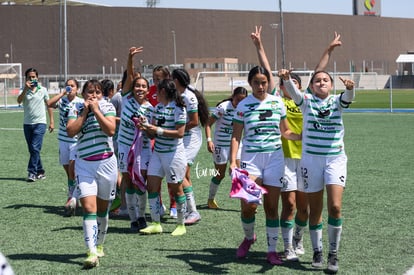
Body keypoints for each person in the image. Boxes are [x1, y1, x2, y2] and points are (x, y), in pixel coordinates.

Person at [250, 26, 342, 261]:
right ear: (281, 87)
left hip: (309, 158)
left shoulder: (308, 102)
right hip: (286, 160)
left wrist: (328, 49)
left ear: (302, 87)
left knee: (304, 209)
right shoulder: (278, 101)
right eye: (285, 83)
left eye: (295, 83)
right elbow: (269, 73)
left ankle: (299, 239)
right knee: (289, 205)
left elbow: (318, 73)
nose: (289, 86)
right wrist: (259, 46)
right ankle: (288, 246)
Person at [280, 67, 354, 272]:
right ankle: (317, 251)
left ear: (331, 85)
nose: (321, 82)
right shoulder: (306, 101)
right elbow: (294, 93)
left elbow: (347, 98)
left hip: (335, 159)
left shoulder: (336, 102)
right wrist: (286, 79)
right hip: (310, 161)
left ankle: (333, 254)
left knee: (335, 207)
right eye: (317, 80)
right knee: (315, 209)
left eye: (325, 80)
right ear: (312, 86)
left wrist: (350, 89)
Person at [229, 65, 301, 265]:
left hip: (274, 159)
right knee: (248, 205)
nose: (260, 86)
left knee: (271, 207)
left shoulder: (278, 102)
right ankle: (249, 237)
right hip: (250, 160)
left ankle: (271, 251)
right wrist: (233, 162)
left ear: (268, 83)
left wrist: (302, 136)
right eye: (256, 83)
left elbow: (285, 132)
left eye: (264, 82)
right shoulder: (243, 105)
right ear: (250, 83)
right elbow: (236, 135)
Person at [66, 79, 117, 269]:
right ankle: (91, 252)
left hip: (106, 164)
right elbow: (71, 131)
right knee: (89, 209)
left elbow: (111, 130)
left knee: (103, 210)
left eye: (97, 92)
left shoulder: (107, 105)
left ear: (102, 94)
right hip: (84, 165)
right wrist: (86, 112)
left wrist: (96, 110)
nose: (93, 96)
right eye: (89, 92)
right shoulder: (76, 107)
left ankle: (100, 244)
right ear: (83, 93)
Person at [139, 78, 187, 236]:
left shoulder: (179, 108)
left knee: (176, 189)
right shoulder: (157, 108)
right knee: (152, 186)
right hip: (157, 153)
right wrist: (145, 126)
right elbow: (151, 132)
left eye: (157, 91)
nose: (154, 94)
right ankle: (155, 223)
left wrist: (157, 130)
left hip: (173, 155)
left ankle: (181, 224)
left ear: (163, 92)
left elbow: (180, 133)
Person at [118, 46, 153, 232]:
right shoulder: (126, 99)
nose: (140, 88)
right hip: (124, 147)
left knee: (141, 182)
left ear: (148, 90)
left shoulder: (151, 109)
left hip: (143, 150)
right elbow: (130, 76)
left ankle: (142, 216)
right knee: (129, 181)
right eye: (137, 86)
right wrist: (130, 58)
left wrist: (145, 128)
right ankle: (133, 219)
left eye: (143, 86)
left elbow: (152, 134)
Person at [172, 68, 209, 225]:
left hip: (191, 139)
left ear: (177, 80)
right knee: (184, 175)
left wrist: (177, 129)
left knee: (181, 174)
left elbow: (194, 122)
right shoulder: (177, 94)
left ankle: (193, 211)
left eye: (172, 78)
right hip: (182, 138)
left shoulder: (189, 96)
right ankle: (189, 209)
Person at [204, 86, 248, 209]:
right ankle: (211, 199)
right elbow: (208, 124)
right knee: (220, 174)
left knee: (238, 173)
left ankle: (245, 203)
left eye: (242, 100)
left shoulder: (244, 109)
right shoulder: (223, 107)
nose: (239, 102)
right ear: (233, 97)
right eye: (238, 99)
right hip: (220, 145)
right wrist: (209, 141)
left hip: (236, 144)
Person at [47, 78, 84, 216]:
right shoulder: (62, 101)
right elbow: (49, 104)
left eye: (72, 86)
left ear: (77, 89)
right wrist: (62, 93)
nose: (70, 88)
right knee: (68, 171)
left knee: (73, 170)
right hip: (62, 139)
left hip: (75, 140)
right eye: (68, 86)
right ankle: (75, 194)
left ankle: (71, 197)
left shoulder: (80, 102)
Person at [147, 65, 178, 219]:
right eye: (153, 78)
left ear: (167, 78)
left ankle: (174, 205)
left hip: (171, 139)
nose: (155, 82)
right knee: (153, 174)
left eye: (158, 79)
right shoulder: (151, 91)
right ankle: (158, 204)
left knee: (173, 176)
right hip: (155, 137)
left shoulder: (173, 95)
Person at [17, 68, 54, 182]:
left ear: (37, 78)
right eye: (29, 77)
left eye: (34, 77)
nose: (32, 79)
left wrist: (51, 121)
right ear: (26, 79)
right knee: (33, 150)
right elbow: (19, 101)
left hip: (40, 123)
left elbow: (49, 105)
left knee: (34, 147)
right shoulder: (23, 90)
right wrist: (25, 90)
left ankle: (31, 172)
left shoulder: (43, 90)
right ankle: (40, 171)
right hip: (27, 124)